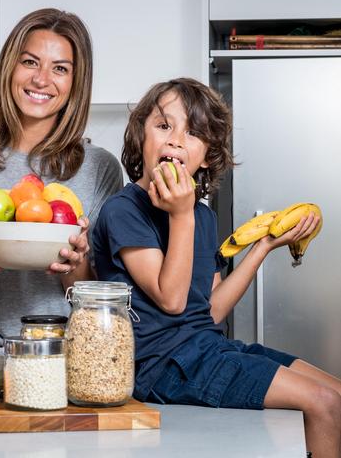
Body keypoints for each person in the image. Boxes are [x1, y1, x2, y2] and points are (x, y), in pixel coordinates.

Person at [93, 77, 341, 456]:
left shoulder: (201, 217)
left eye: (193, 133)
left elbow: (209, 311)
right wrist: (181, 216)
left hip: (206, 348)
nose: (175, 139)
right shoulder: (123, 211)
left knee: (336, 393)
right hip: (161, 365)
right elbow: (172, 301)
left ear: (207, 155)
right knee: (322, 402)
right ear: (141, 136)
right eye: (163, 126)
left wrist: (263, 247)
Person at [0, 8, 123, 346]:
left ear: (76, 83)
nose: (41, 79)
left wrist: (73, 266)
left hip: (57, 359)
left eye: (60, 68)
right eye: (30, 62)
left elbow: (100, 299)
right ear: (9, 67)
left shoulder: (99, 169)